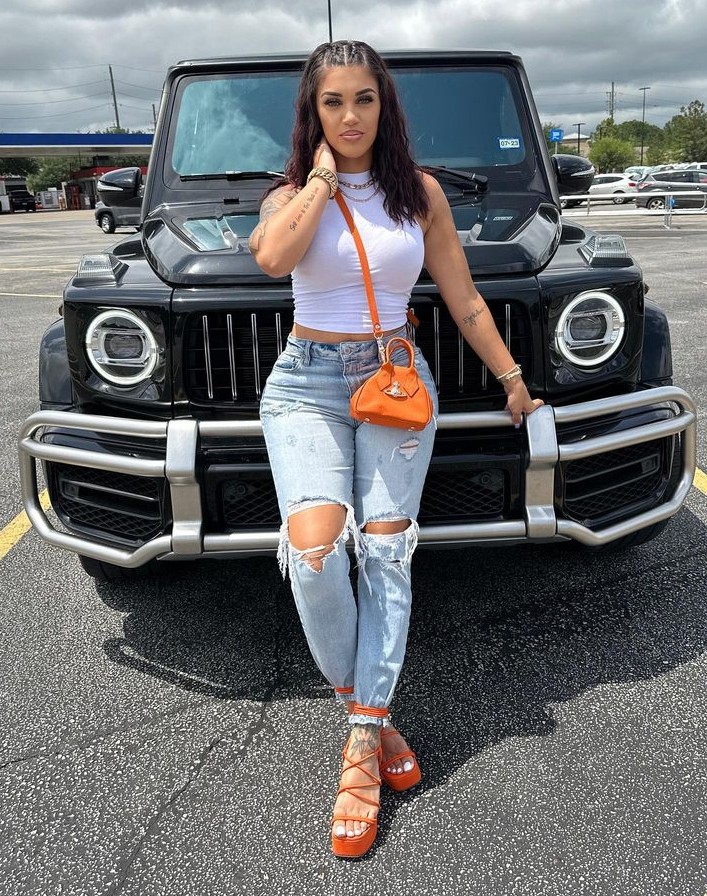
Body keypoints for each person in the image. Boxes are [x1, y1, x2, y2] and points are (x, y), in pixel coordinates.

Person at [249, 39, 544, 858]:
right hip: (306, 382)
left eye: (364, 99)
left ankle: (358, 744)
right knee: (315, 553)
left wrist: (512, 378)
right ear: (313, 112)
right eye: (333, 101)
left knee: (385, 551)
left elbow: (464, 297)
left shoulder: (419, 193)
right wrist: (318, 181)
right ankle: (373, 716)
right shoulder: (288, 195)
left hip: (395, 380)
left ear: (385, 105)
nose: (350, 116)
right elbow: (272, 259)